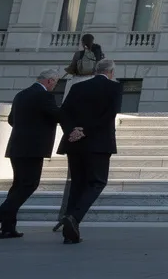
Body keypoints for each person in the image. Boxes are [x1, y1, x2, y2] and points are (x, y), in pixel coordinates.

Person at [0, 67, 61, 239]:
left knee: (18, 185)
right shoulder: (44, 96)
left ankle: (8, 228)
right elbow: (58, 115)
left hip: (16, 146)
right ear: (50, 81)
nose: (54, 87)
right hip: (33, 149)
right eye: (55, 83)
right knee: (29, 185)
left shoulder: (21, 94)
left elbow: (12, 119)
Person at [56, 58, 123, 245]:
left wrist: (73, 130)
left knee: (77, 183)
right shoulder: (114, 88)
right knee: (97, 182)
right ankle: (74, 218)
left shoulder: (78, 87)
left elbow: (64, 112)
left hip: (75, 143)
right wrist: (85, 130)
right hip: (99, 143)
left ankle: (68, 230)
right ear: (111, 72)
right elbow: (109, 115)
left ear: (95, 70)